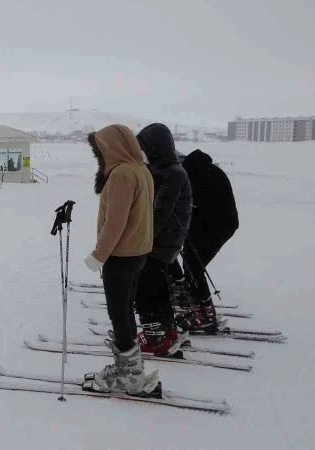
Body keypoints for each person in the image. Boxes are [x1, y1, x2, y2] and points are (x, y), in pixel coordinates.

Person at [83, 124, 156, 395]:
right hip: (137, 253)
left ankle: (130, 376)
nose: (101, 154)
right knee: (125, 311)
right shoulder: (141, 170)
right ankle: (131, 368)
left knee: (119, 314)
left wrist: (98, 255)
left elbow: (115, 221)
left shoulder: (122, 174)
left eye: (102, 149)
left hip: (120, 255)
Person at [133, 123, 192, 356]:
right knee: (156, 286)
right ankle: (166, 332)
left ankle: (156, 336)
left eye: (145, 147)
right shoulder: (166, 170)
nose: (143, 152)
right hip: (163, 241)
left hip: (160, 241)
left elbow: (159, 213)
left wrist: (141, 239)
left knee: (146, 288)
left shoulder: (172, 174)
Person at [171, 149, 239, 333]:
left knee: (193, 266)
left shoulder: (191, 174)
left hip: (215, 225)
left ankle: (206, 315)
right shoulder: (199, 168)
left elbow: (186, 204)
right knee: (192, 265)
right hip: (214, 222)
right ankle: (199, 309)